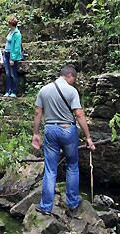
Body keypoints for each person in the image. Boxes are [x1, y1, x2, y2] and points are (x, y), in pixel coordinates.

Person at [31, 65, 95, 215]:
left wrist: (35, 133)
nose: (74, 82)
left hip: (50, 129)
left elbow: (37, 113)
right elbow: (79, 114)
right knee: (72, 165)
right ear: (70, 76)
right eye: (74, 79)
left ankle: (46, 206)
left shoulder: (44, 90)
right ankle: (72, 202)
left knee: (50, 169)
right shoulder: (71, 91)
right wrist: (88, 137)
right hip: (67, 130)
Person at [3, 16, 23, 97]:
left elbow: (17, 47)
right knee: (7, 73)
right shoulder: (10, 31)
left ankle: (14, 92)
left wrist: (12, 58)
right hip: (6, 53)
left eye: (8, 23)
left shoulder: (17, 34)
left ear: (11, 24)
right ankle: (8, 91)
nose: (7, 24)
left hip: (12, 55)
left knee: (13, 74)